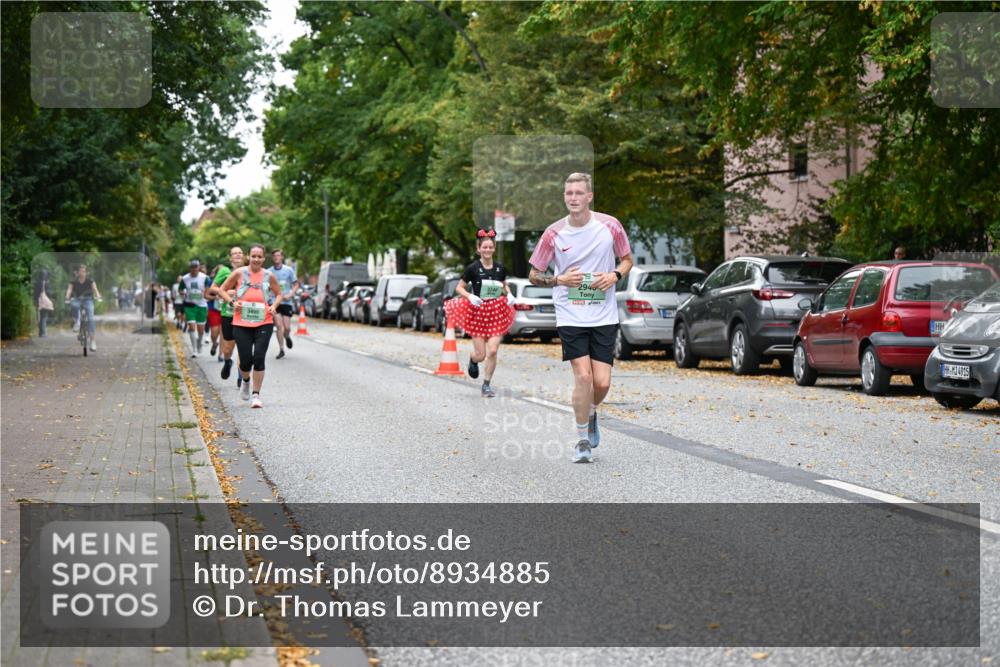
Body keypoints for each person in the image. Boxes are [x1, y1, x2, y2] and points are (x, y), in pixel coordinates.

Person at [528, 172, 633, 463]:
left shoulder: (610, 226)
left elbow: (627, 259)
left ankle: (591, 411)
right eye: (568, 193)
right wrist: (560, 279)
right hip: (570, 313)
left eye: (578, 193)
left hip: (603, 314)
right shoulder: (553, 233)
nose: (573, 198)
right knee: (584, 377)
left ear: (589, 196)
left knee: (602, 383)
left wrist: (614, 276)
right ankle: (582, 440)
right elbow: (534, 274)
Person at [445, 229, 517, 397]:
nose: (487, 250)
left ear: (494, 248)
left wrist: (509, 294)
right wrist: (470, 296)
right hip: (477, 312)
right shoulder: (473, 268)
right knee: (481, 354)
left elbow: (503, 285)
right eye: (484, 247)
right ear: (479, 249)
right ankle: (473, 359)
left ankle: (486, 384)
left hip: (496, 312)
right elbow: (459, 288)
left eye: (490, 247)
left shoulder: (500, 268)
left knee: (492, 350)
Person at [216, 244, 283, 408]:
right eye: (254, 256)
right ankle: (245, 380)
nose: (257, 259)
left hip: (264, 321)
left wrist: (274, 306)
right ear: (249, 257)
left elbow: (279, 293)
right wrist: (232, 302)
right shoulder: (239, 273)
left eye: (260, 256)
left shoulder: (269, 275)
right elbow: (222, 290)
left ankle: (256, 395)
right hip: (241, 322)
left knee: (259, 357)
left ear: (264, 258)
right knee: (245, 361)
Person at [206, 246, 244, 384]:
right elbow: (213, 288)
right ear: (230, 258)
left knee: (243, 347)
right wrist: (228, 293)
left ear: (244, 256)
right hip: (228, 313)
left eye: (240, 253)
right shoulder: (225, 271)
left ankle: (242, 376)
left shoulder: (248, 271)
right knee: (228, 349)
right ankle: (228, 362)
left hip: (244, 314)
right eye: (235, 253)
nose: (238, 255)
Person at [268, 248, 299, 359]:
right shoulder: (269, 271)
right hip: (274, 302)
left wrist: (290, 294)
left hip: (287, 301)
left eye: (278, 255)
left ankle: (287, 336)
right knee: (278, 325)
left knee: (287, 327)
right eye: (274, 256)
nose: (276, 257)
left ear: (282, 257)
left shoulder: (289, 270)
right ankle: (281, 349)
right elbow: (266, 287)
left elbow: (296, 284)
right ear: (272, 258)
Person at [64, 264, 103, 352]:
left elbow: (95, 290)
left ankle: (93, 341)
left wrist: (98, 296)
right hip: (77, 299)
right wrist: (67, 297)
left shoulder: (90, 281)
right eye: (80, 271)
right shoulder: (73, 281)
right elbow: (69, 290)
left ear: (86, 273)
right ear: (77, 273)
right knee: (74, 305)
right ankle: (77, 322)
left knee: (91, 319)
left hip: (88, 300)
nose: (82, 273)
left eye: (84, 271)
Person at [179, 259, 212, 357]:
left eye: (196, 267)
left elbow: (208, 290)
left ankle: (199, 343)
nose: (194, 269)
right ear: (190, 268)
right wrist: (183, 293)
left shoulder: (205, 278)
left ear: (198, 268)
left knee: (201, 330)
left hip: (201, 305)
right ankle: (194, 350)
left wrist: (206, 294)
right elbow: (180, 289)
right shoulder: (185, 278)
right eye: (192, 268)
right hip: (190, 305)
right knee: (192, 327)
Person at [206, 264, 225, 360]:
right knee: (214, 333)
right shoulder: (211, 282)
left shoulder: (229, 281)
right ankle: (214, 343)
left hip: (225, 310)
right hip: (213, 309)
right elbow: (206, 295)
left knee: (223, 332)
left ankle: (221, 354)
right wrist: (215, 297)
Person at [34, 268, 54, 337]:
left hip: (38, 301)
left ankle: (41, 332)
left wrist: (35, 301)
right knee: (44, 317)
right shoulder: (45, 283)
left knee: (40, 317)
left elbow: (35, 293)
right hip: (44, 302)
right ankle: (43, 333)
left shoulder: (36, 283)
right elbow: (49, 293)